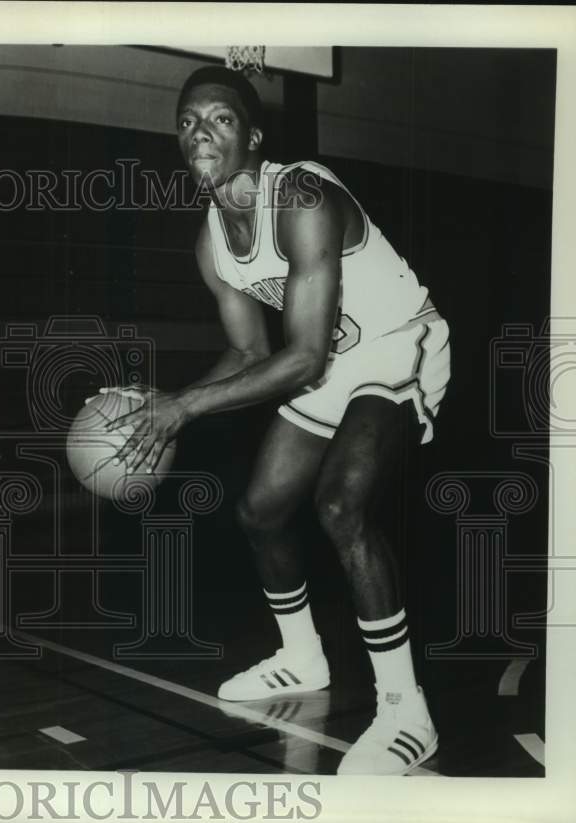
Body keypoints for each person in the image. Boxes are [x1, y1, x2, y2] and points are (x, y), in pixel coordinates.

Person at [103, 66, 450, 775]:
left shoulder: (300, 197)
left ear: (254, 138)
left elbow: (303, 356)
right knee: (260, 510)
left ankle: (407, 713)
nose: (201, 132)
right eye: (188, 122)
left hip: (397, 341)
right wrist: (165, 404)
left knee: (341, 504)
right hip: (322, 359)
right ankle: (302, 658)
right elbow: (248, 353)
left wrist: (186, 408)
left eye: (221, 119)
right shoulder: (211, 242)